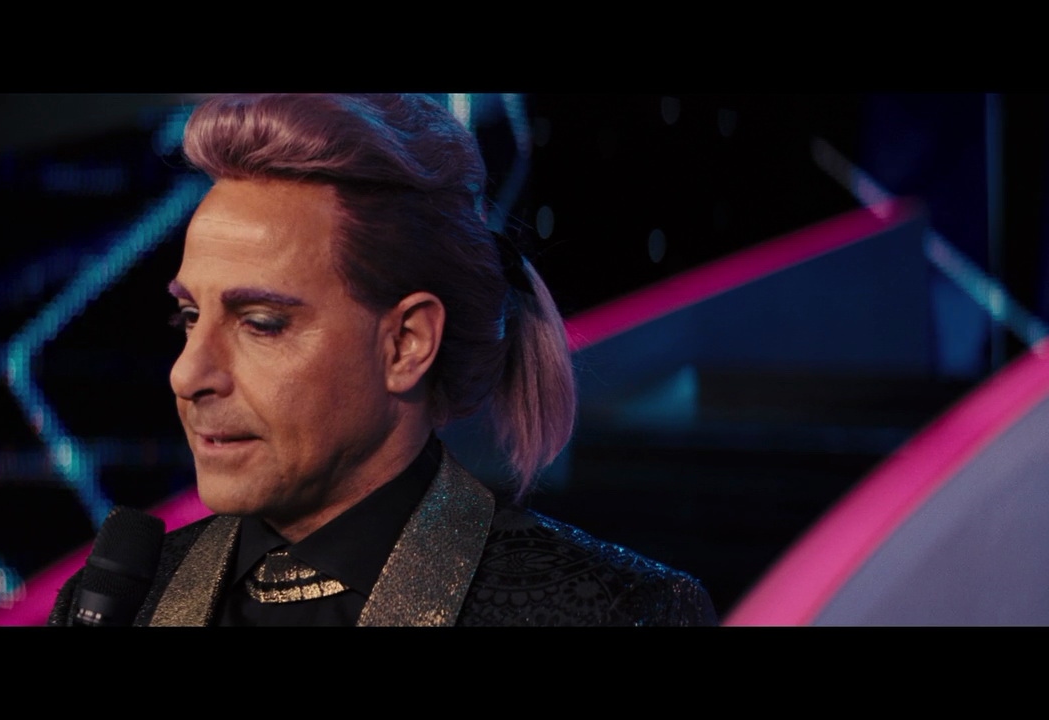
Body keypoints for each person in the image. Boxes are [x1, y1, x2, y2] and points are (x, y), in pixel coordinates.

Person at [49, 94, 715, 626]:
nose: (188, 374)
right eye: (190, 317)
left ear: (407, 343)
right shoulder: (120, 602)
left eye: (260, 324)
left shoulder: (610, 610)